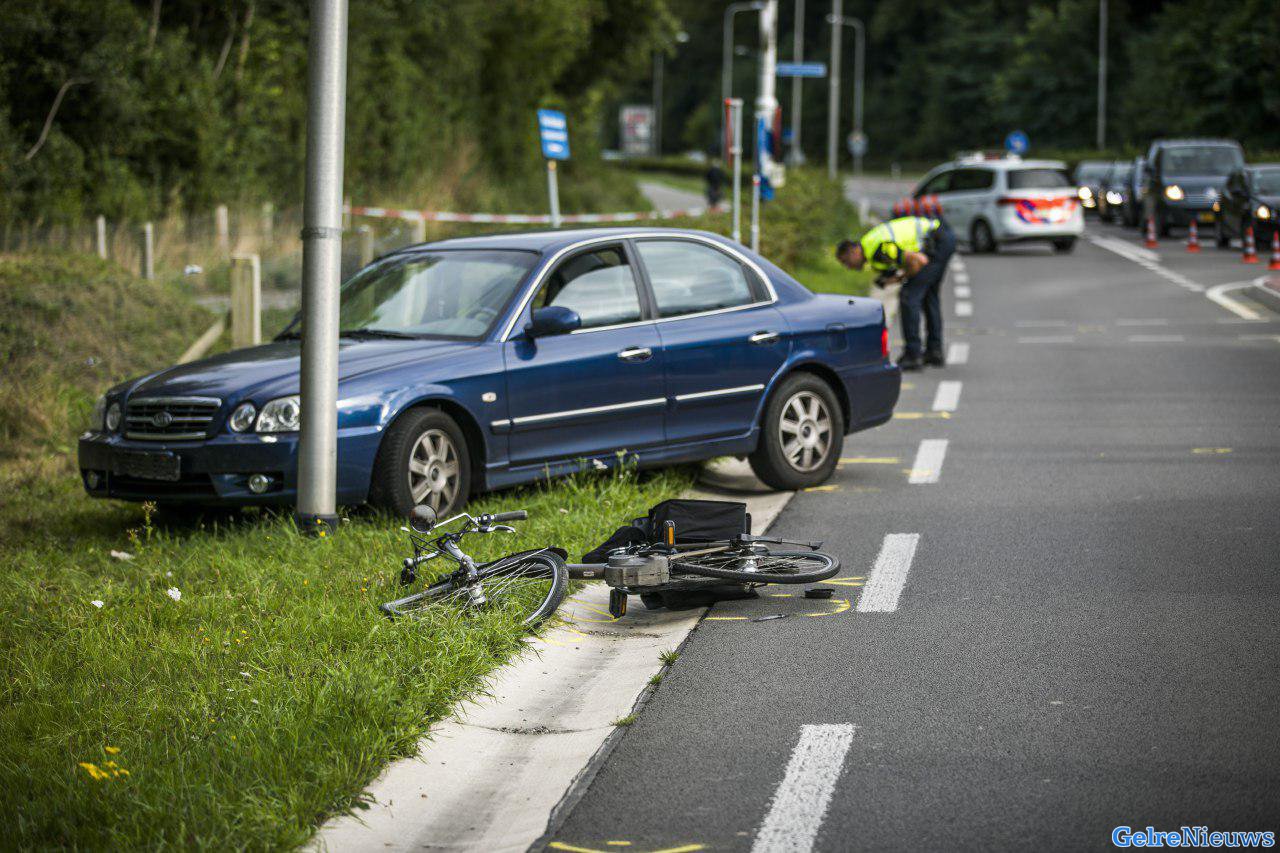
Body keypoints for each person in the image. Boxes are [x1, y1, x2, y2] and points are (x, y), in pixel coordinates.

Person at [835, 215, 956, 371]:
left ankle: (913, 354)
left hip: (937, 241)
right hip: (941, 237)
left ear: (853, 252)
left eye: (846, 262)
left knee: (909, 297)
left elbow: (918, 261)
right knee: (928, 296)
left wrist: (902, 278)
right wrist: (899, 277)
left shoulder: (877, 248)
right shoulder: (870, 244)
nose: (848, 267)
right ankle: (934, 351)